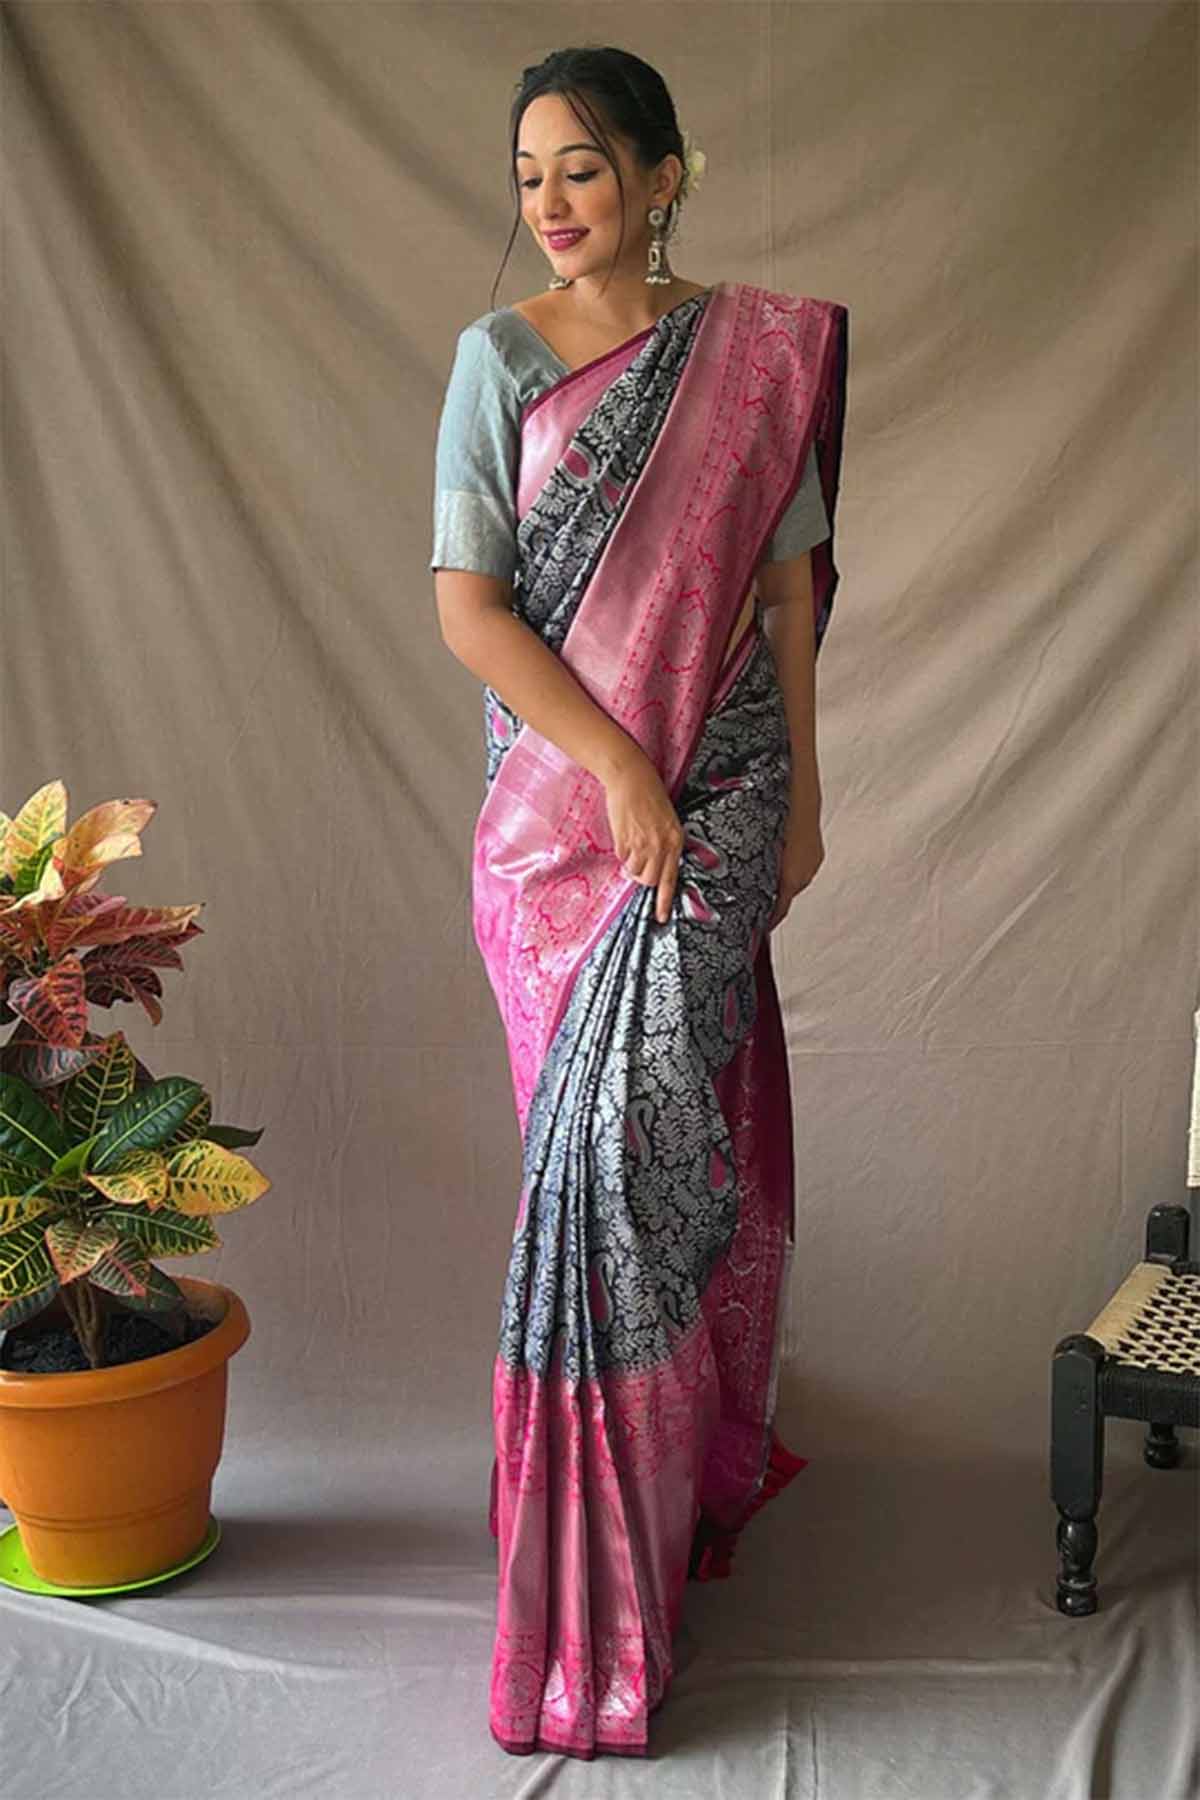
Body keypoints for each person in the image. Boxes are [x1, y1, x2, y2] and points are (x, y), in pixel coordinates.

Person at [430, 45, 849, 1762]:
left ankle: (643, 1549)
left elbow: (788, 587)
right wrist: (611, 766)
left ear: (665, 176)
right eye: (528, 173)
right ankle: (600, 1584)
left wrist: (802, 791)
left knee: (643, 1164)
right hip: (556, 824)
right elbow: (470, 608)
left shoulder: (754, 358)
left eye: (584, 167)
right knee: (585, 1176)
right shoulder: (498, 359)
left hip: (724, 790)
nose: (550, 202)